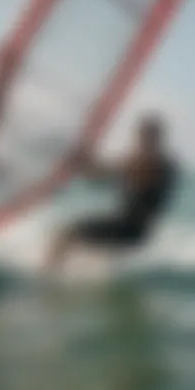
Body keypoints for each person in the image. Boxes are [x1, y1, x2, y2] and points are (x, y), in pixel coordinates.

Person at [44, 113, 180, 271]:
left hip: (129, 230)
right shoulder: (142, 162)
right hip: (129, 229)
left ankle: (47, 278)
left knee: (65, 234)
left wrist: (85, 162)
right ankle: (70, 276)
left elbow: (122, 172)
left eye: (144, 136)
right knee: (81, 248)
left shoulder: (158, 165)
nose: (139, 141)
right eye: (140, 136)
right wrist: (81, 163)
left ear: (155, 138)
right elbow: (101, 176)